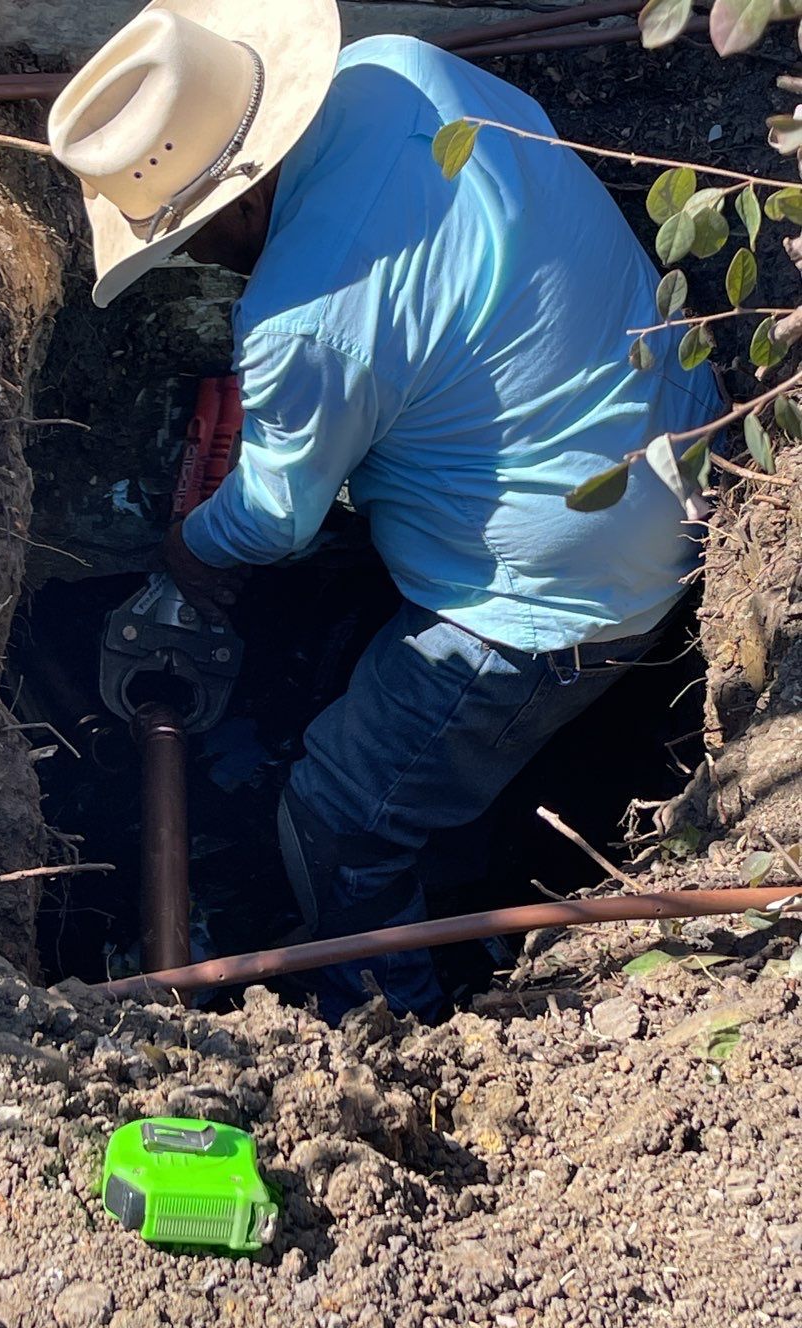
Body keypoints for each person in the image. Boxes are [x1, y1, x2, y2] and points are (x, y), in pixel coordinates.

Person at [48, 0, 722, 1024]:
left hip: (562, 589)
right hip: (681, 439)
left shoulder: (305, 319)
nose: (202, 261)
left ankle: (387, 1023)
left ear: (236, 202)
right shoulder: (396, 71)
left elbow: (272, 524)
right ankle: (452, 845)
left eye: (189, 239)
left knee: (341, 815)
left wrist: (187, 549)